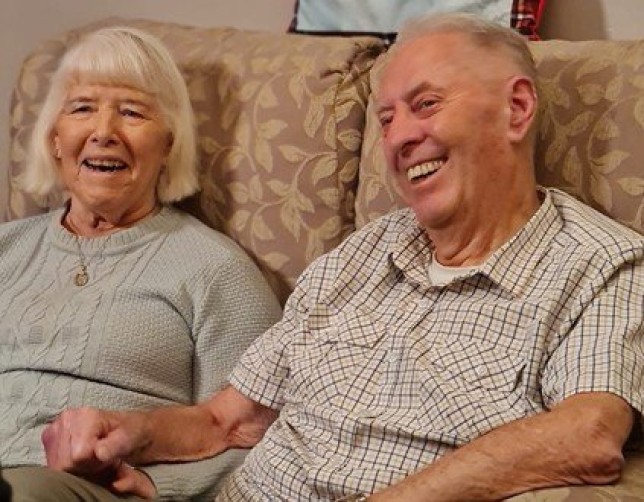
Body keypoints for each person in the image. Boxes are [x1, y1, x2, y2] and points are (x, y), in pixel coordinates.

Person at [41, 13, 644, 501]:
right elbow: (230, 420)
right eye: (387, 118)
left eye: (426, 104)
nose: (401, 137)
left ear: (516, 109)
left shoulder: (600, 263)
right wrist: (128, 432)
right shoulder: (363, 251)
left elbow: (588, 434)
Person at [0, 26, 282, 501]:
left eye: (131, 112)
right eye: (82, 108)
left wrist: (157, 484)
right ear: (54, 138)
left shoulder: (215, 270)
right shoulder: (7, 249)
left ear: (168, 145)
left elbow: (262, 432)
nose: (104, 133)